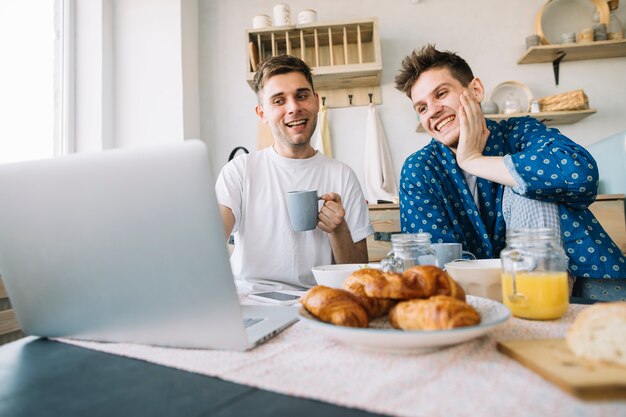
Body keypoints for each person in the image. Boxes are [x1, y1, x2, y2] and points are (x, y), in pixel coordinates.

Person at [394, 44, 625, 301]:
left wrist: (473, 160)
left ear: (476, 90)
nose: (433, 111)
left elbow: (580, 173)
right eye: (422, 108)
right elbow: (432, 261)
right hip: (474, 297)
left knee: (528, 184)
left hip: (582, 282)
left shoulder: (520, 132)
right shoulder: (420, 169)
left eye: (441, 93)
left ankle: (542, 302)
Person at [216, 55, 373, 288]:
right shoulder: (239, 171)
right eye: (279, 101)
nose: (294, 108)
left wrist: (339, 230)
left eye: (301, 96)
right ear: (262, 114)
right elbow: (211, 244)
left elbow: (358, 276)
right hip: (251, 301)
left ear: (316, 101)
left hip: (317, 301)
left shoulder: (342, 175)